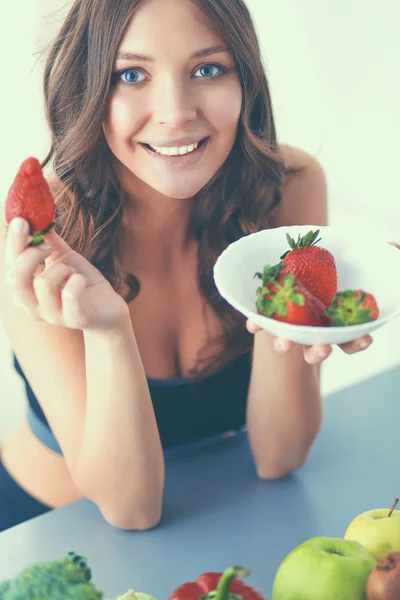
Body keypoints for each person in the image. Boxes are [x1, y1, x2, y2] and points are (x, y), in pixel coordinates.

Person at [0, 0, 375, 533]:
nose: (175, 112)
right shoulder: (43, 237)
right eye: (131, 75)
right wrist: (108, 330)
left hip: (225, 511)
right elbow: (131, 510)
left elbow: (280, 457)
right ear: (89, 91)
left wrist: (287, 311)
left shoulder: (285, 191)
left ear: (245, 78)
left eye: (207, 69)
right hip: (45, 528)